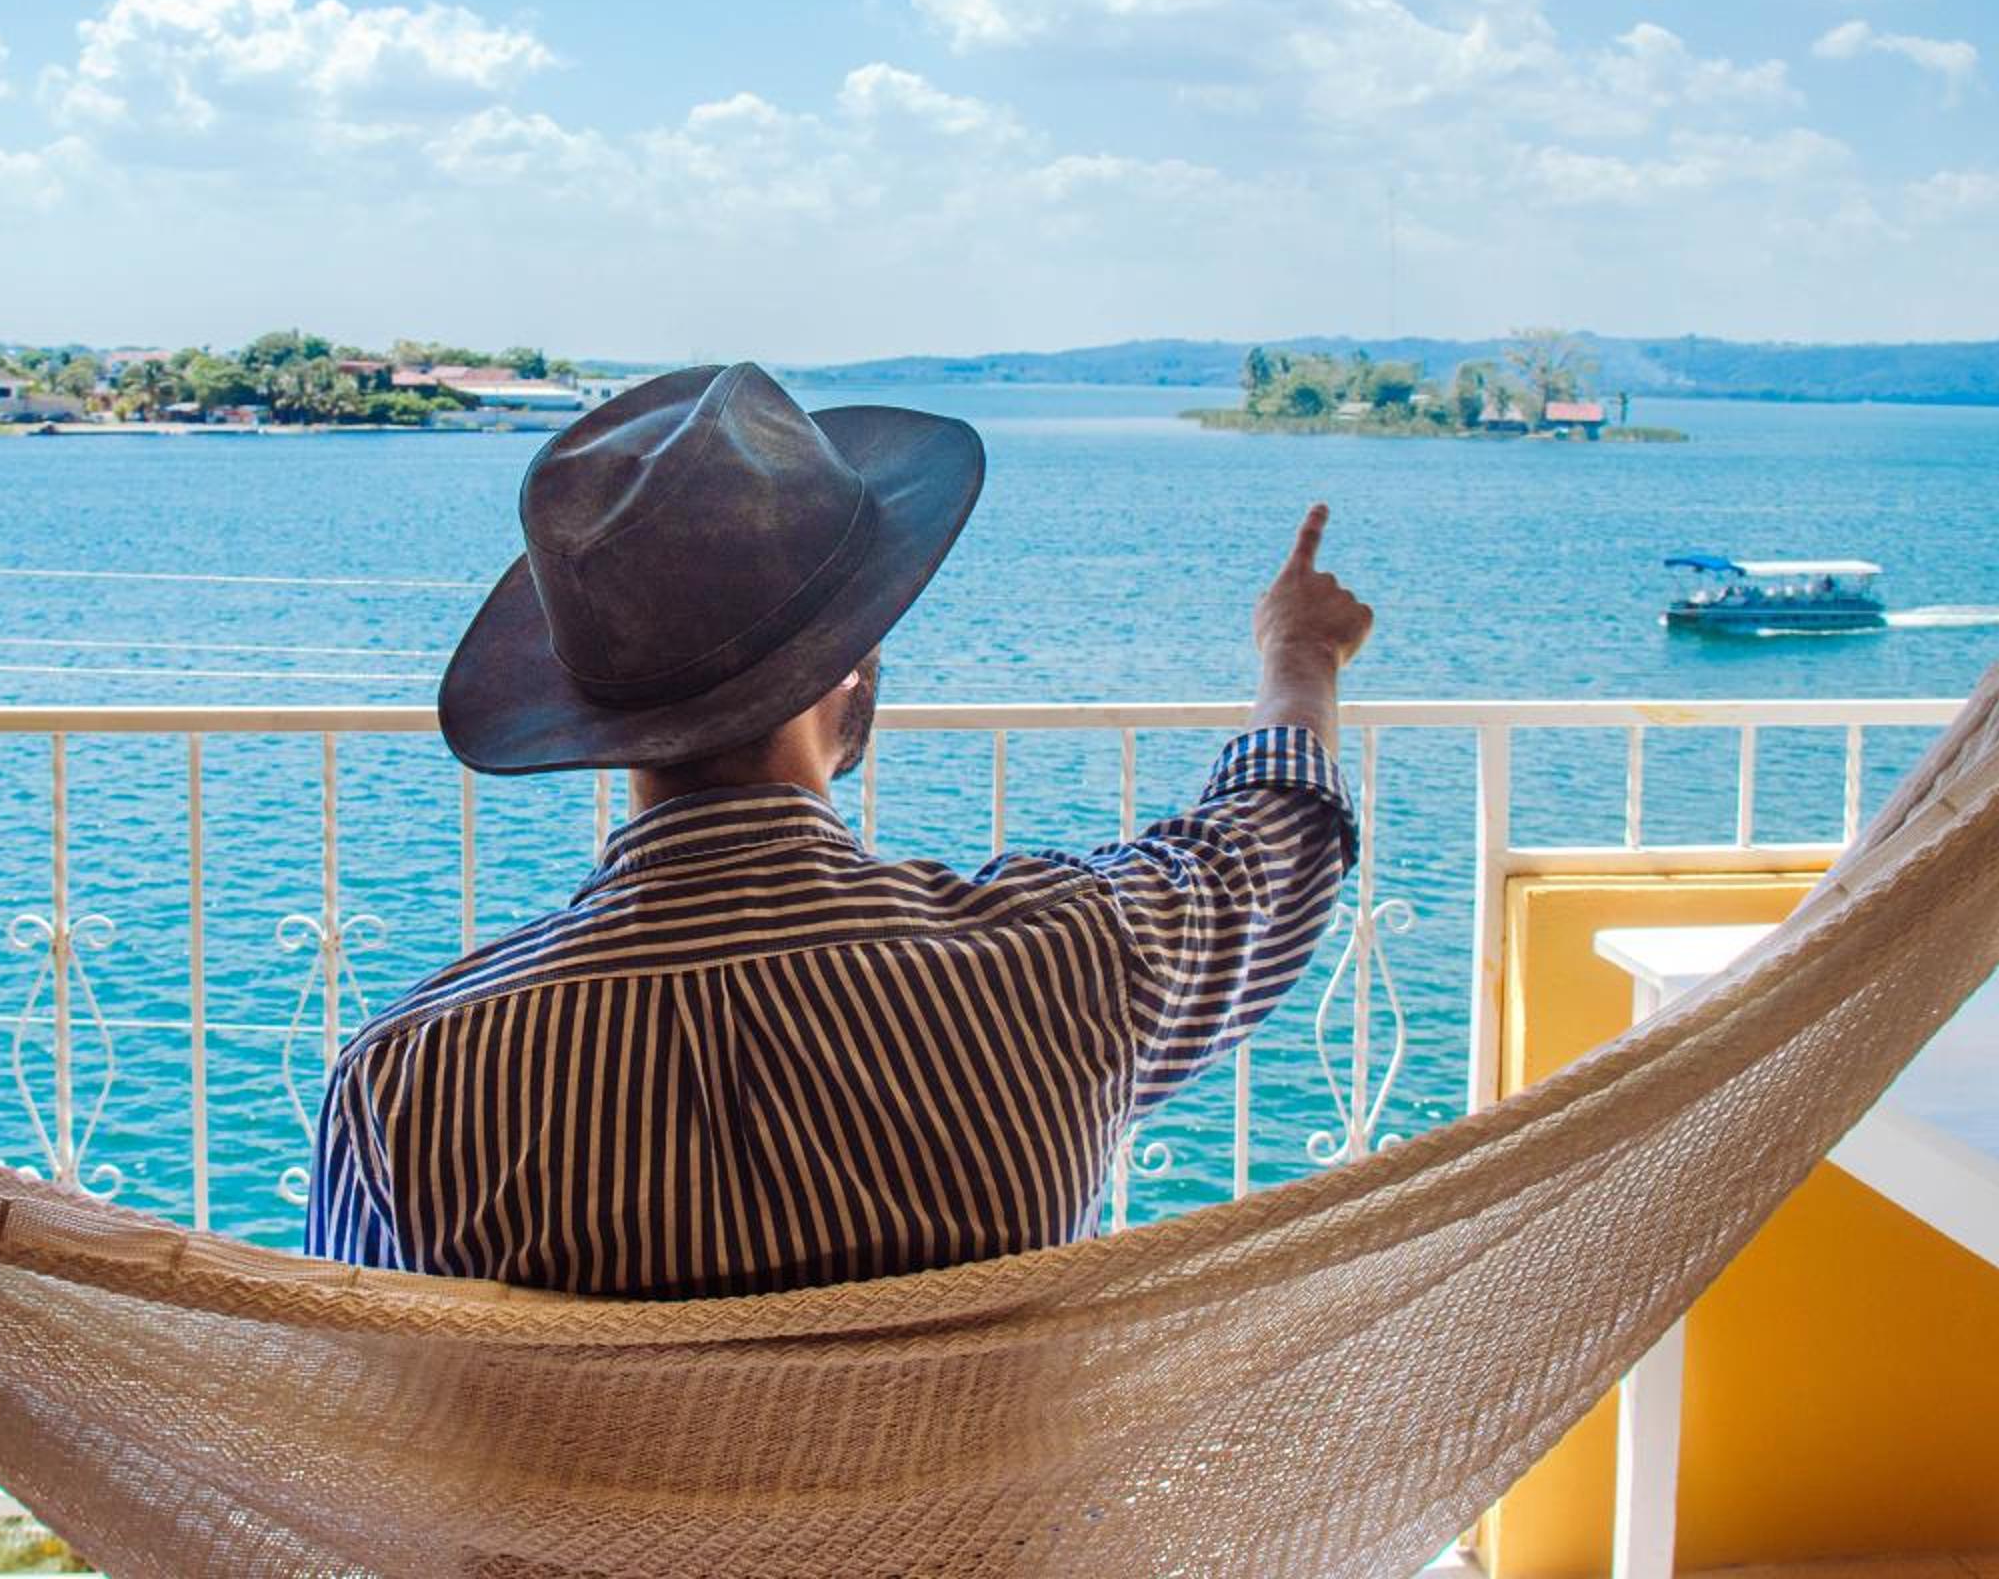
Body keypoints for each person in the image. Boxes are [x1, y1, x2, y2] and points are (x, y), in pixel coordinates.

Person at [307, 363, 1369, 1299]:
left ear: (589, 710)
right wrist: (1298, 656)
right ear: (849, 659)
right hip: (981, 1482)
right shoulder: (1064, 959)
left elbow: (370, 1399)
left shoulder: (409, 1083)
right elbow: (1271, 852)